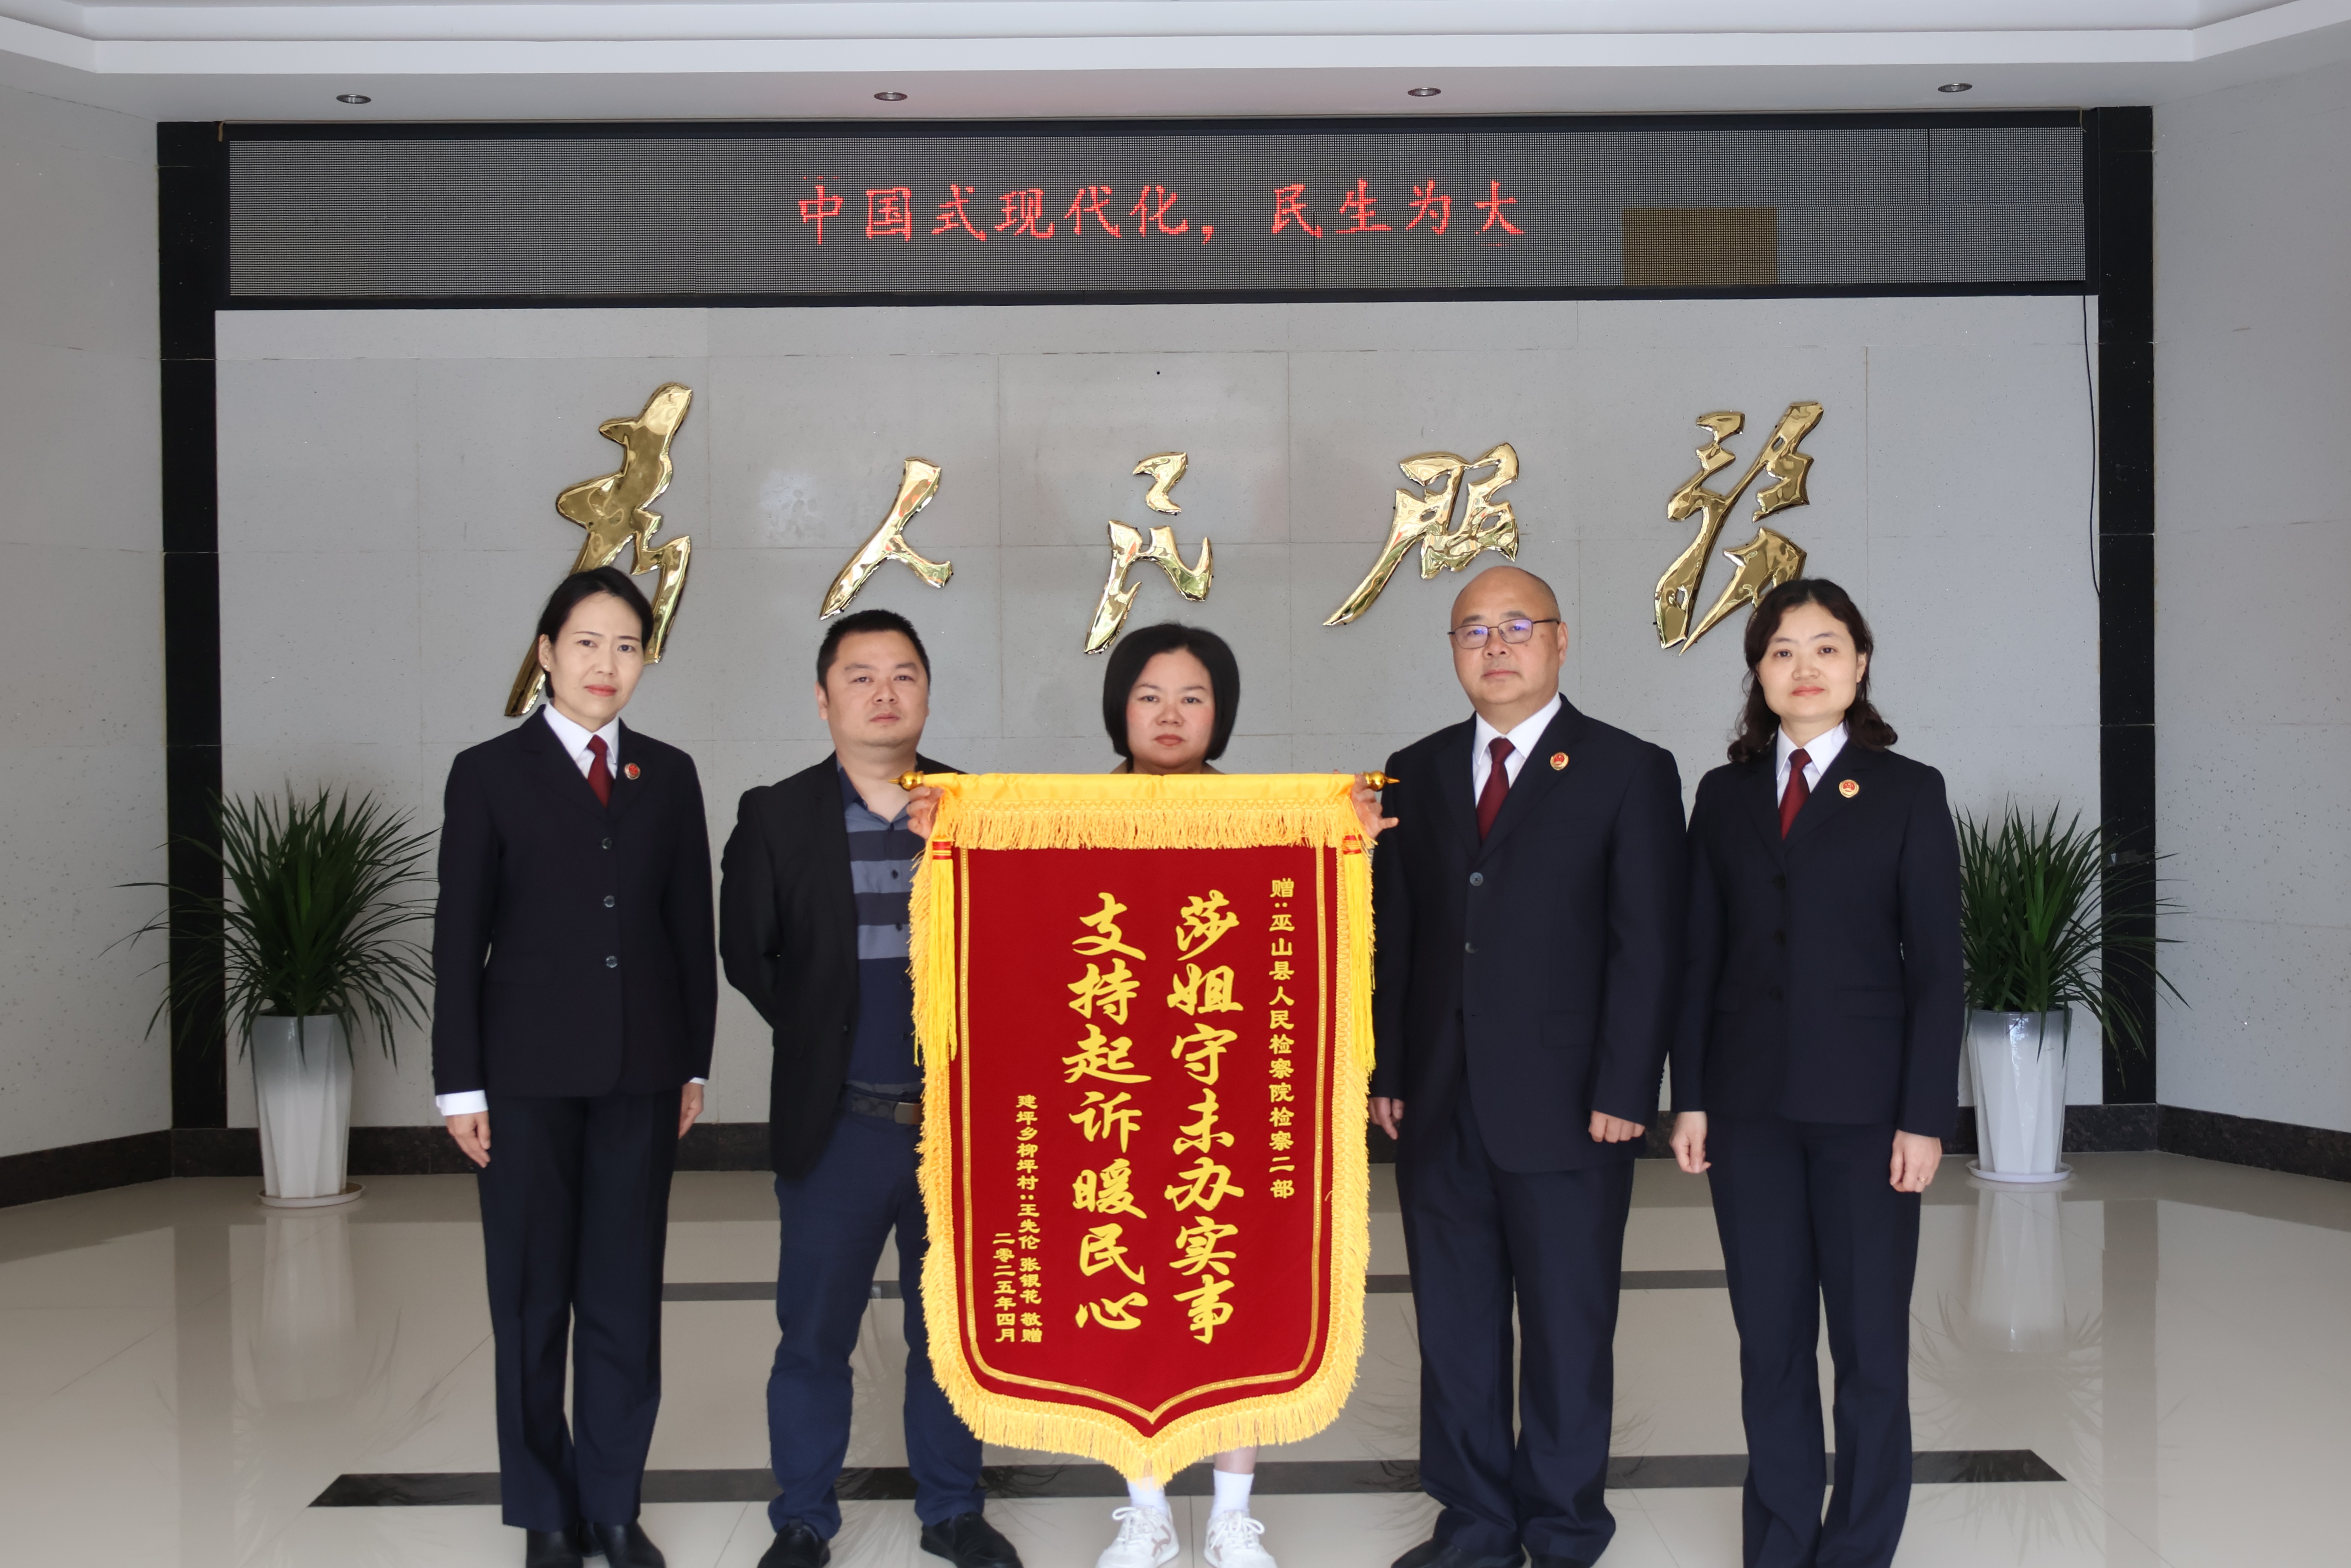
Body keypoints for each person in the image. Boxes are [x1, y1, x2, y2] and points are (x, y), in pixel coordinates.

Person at [1368, 565, 1685, 1568]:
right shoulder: (1413, 771)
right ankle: (1472, 1524)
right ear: (1452, 651)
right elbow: (1395, 937)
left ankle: (1561, 1526)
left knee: (1565, 1329)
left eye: (1515, 626)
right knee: (1454, 1332)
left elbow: (1648, 944)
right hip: (1438, 1102)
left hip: (1571, 1105)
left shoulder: (1627, 769)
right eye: (1472, 630)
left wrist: (1627, 1087)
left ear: (1558, 640)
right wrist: (1386, 1069)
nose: (1494, 646)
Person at [1075, 622, 1394, 1568]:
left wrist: (1347, 845)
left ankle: (1229, 1514)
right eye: (1149, 696)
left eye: (1192, 697)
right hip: (1116, 1099)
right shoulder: (1064, 820)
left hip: (1230, 1098)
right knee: (1126, 1291)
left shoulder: (1263, 817)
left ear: (1221, 713)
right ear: (1119, 708)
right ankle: (1144, 1508)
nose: (1169, 715)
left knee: (1232, 1295)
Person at [718, 608, 1022, 1568]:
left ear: (927, 694)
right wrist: (823, 1033)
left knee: (950, 1335)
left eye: (903, 675)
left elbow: (1027, 948)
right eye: (860, 676)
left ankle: (952, 1510)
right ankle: (804, 1518)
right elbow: (748, 954)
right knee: (813, 1335)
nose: (883, 693)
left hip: (954, 1128)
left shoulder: (979, 807)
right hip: (837, 1123)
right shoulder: (775, 814)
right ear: (824, 699)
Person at [1667, 578, 1961, 1568]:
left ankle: (1858, 1546)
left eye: (1825, 647)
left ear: (1859, 664)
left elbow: (1937, 968)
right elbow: (1696, 956)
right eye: (1781, 650)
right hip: (1747, 1109)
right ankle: (1781, 1537)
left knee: (1869, 1348)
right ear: (1757, 671)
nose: (1804, 667)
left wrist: (1923, 1115)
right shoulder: (1723, 795)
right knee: (1771, 1344)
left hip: (1867, 1113)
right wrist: (1689, 1095)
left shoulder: (1906, 790)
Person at [432, 565, 718, 1568]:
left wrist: (693, 1065)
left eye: (627, 646)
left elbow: (689, 932)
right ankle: (544, 1513)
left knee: (623, 1298)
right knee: (528, 1301)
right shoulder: (488, 773)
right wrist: (459, 1085)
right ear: (547, 653)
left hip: (642, 1074)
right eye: (587, 643)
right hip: (520, 1080)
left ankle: (610, 1504)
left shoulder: (668, 775)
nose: (607, 664)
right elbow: (458, 937)